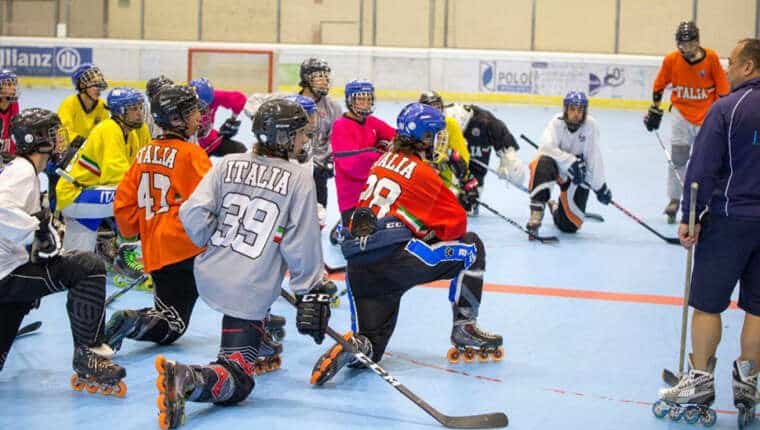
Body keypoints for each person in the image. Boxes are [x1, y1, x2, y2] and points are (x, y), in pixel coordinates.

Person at [152, 99, 330, 429]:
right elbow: (301, 243)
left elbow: (192, 213)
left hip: (208, 271)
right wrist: (309, 290)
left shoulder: (227, 162)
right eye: (300, 134)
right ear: (283, 137)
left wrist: (215, 239)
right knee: (239, 380)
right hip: (247, 290)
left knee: (258, 288)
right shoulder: (299, 178)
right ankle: (189, 377)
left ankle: (260, 338)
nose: (305, 141)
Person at [310, 103, 503, 387]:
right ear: (425, 139)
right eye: (436, 135)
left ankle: (355, 346)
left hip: (359, 269)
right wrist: (427, 233)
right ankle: (465, 328)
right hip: (395, 260)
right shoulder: (424, 174)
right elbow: (457, 224)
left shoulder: (383, 161)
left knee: (371, 352)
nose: (439, 141)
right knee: (472, 248)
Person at [653, 38, 760, 427]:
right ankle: (748, 384)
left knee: (708, 304)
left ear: (749, 67)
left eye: (733, 62)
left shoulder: (727, 109)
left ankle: (699, 379)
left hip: (729, 220)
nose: (727, 69)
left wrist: (689, 216)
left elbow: (701, 170)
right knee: (758, 308)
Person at [0, 108, 126, 396]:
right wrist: (37, 232)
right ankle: (88, 355)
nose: (59, 141)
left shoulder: (24, 171)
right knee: (88, 266)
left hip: (9, 276)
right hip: (6, 275)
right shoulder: (21, 170)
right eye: (53, 135)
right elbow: (2, 208)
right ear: (37, 140)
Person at [104, 85, 211, 357]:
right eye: (192, 112)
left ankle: (137, 320)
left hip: (156, 249)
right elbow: (212, 200)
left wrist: (136, 233)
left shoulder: (143, 152)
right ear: (177, 119)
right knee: (175, 325)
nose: (198, 117)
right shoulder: (191, 154)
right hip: (186, 247)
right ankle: (261, 325)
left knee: (168, 317)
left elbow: (124, 205)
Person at [55, 87, 151, 283]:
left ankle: (102, 244)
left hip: (87, 195)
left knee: (75, 264)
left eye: (140, 107)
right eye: (133, 108)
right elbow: (117, 175)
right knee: (134, 196)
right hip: (75, 194)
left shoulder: (131, 132)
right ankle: (126, 255)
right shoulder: (109, 129)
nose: (139, 112)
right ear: (120, 112)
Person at [643, 21, 729, 223]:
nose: (686, 48)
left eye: (690, 44)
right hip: (681, 115)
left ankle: (707, 200)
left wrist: (722, 115)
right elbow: (659, 85)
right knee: (678, 158)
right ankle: (674, 200)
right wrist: (655, 109)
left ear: (698, 42)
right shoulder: (672, 60)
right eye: (682, 44)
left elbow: (723, 90)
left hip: (706, 116)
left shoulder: (711, 58)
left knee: (706, 161)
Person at [526, 91, 612, 238]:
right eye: (572, 109)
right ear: (566, 109)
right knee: (542, 162)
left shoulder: (590, 126)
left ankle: (555, 208)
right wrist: (570, 161)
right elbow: (545, 147)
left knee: (571, 225)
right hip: (556, 170)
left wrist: (600, 187)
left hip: (576, 178)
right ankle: (536, 214)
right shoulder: (556, 122)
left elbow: (594, 158)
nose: (576, 114)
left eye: (580, 110)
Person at [330, 79, 395, 230]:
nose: (365, 103)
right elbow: (352, 165)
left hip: (374, 192)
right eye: (360, 99)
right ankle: (342, 227)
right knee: (356, 239)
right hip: (351, 196)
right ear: (349, 100)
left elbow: (396, 137)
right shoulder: (340, 126)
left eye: (368, 99)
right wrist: (381, 153)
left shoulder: (372, 122)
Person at [445, 100, 525, 215]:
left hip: (472, 178)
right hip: (448, 174)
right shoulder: (440, 124)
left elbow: (515, 166)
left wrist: (507, 164)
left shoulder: (487, 122)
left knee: (467, 208)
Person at [52, 63, 110, 207]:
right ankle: (56, 207)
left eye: (99, 83)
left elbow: (104, 132)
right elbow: (64, 133)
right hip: (68, 152)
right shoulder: (69, 104)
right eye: (93, 84)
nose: (98, 88)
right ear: (81, 85)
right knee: (54, 170)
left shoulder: (102, 107)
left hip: (89, 152)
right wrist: (86, 143)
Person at [189, 77, 248, 156]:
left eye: (208, 105)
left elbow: (239, 98)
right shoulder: (181, 106)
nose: (206, 108)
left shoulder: (212, 97)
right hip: (190, 146)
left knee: (241, 150)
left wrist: (233, 119)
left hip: (209, 141)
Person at [0, 69, 19, 166]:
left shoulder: (14, 104)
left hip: (8, 153)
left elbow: (14, 130)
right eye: (9, 85)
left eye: (14, 84)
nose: (14, 88)